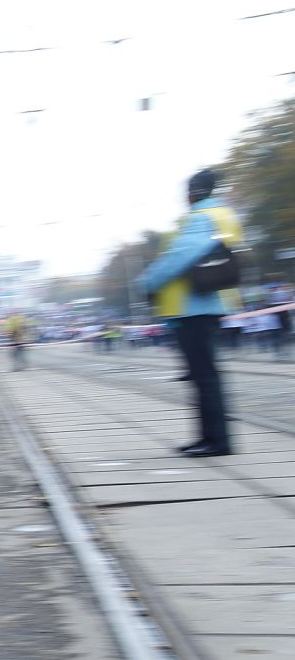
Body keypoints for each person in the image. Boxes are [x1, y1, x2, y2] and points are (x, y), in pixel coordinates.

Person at [140, 167, 244, 457]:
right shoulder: (224, 214)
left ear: (194, 192)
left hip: (193, 305)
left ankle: (216, 441)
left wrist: (147, 282)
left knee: (205, 377)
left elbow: (178, 257)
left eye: (188, 192)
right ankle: (207, 438)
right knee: (203, 376)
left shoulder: (200, 218)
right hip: (210, 301)